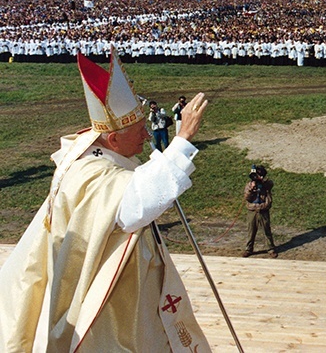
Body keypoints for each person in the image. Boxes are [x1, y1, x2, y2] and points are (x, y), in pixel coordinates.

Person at [0, 48, 211, 351]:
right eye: (140, 131)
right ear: (113, 139)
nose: (148, 137)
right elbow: (135, 204)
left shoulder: (94, 151)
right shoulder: (94, 178)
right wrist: (183, 140)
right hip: (109, 303)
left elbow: (132, 179)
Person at [242, 165, 278, 258]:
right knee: (251, 230)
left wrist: (262, 181)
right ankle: (248, 249)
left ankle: (271, 249)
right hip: (252, 210)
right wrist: (251, 189)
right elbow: (247, 197)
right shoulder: (249, 185)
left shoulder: (266, 184)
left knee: (266, 230)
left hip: (263, 209)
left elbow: (271, 184)